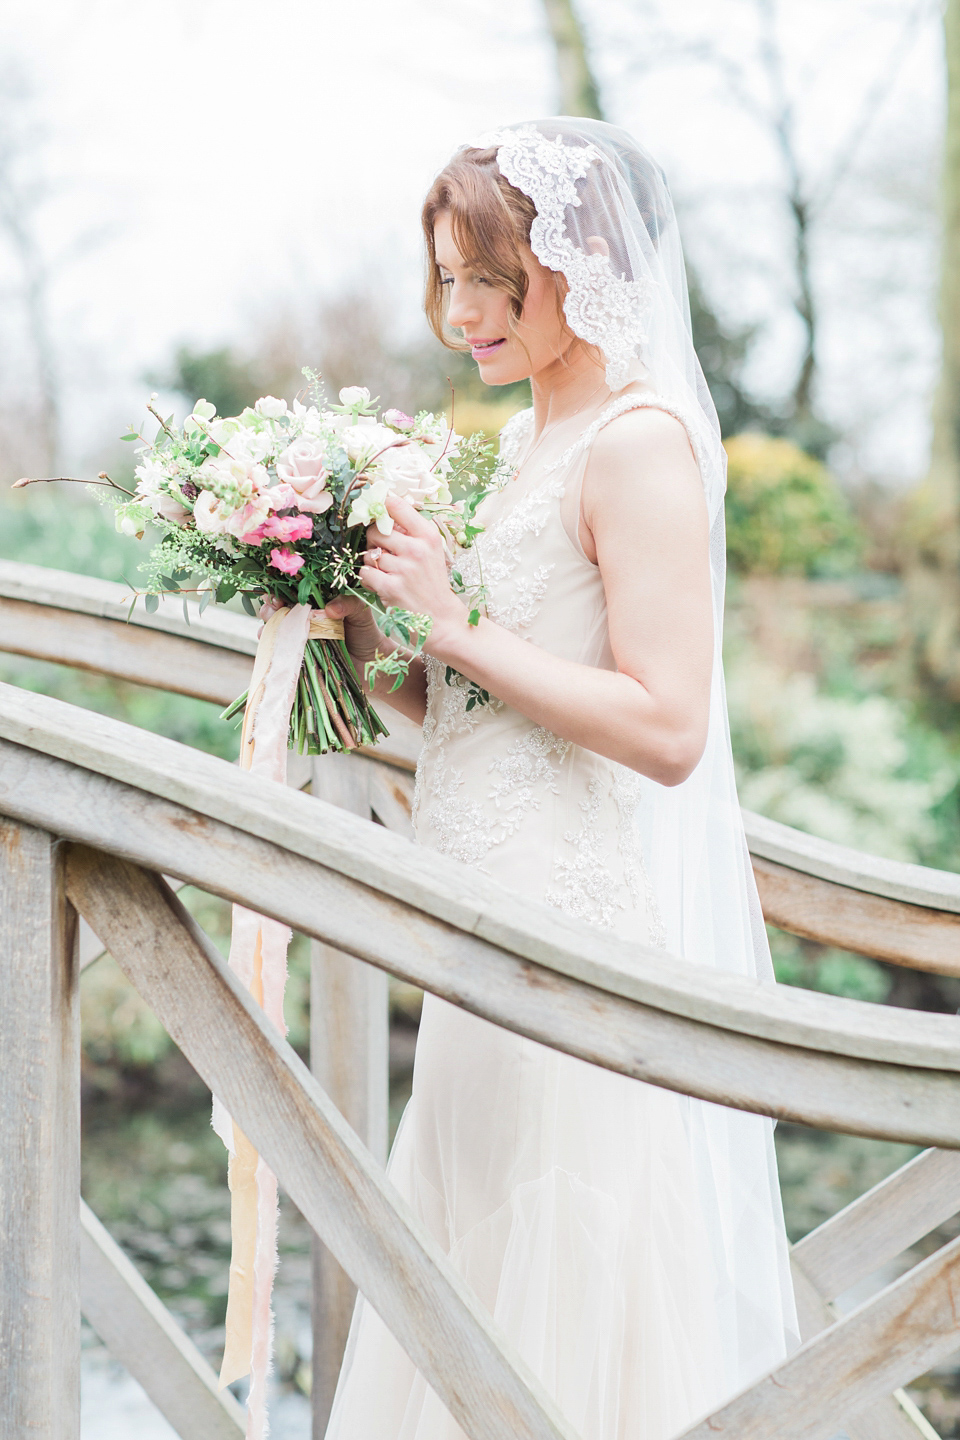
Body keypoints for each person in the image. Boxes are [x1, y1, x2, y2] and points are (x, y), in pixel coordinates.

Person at [323, 117, 799, 1440]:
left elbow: (665, 724)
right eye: (447, 281)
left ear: (578, 262)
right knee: (468, 1281)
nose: (462, 314)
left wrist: (455, 620)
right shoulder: (535, 434)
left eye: (490, 279)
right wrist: (363, 627)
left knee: (568, 1300)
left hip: (569, 935)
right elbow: (478, 701)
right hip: (471, 925)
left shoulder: (637, 442)